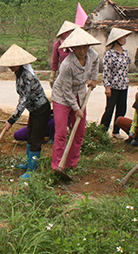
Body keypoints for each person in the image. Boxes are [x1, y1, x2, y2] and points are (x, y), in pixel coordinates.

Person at [0, 44, 51, 178]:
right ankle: (29, 163)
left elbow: (24, 100)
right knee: (30, 134)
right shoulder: (19, 73)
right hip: (34, 110)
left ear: (20, 63)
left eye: (12, 64)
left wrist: (11, 120)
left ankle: (32, 170)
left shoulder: (27, 76)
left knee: (35, 138)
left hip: (41, 109)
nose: (10, 66)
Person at [51, 27, 100, 172]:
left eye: (85, 46)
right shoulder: (67, 65)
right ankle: (57, 166)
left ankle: (72, 164)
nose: (83, 50)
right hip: (62, 97)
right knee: (61, 133)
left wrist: (93, 78)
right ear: (72, 48)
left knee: (79, 132)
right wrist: (76, 109)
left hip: (80, 93)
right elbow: (66, 91)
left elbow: (97, 62)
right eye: (79, 47)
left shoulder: (92, 54)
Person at [100, 28, 132, 139]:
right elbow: (106, 71)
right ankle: (102, 131)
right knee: (109, 109)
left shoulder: (126, 53)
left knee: (122, 108)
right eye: (122, 38)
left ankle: (116, 131)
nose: (124, 39)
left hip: (124, 85)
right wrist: (107, 86)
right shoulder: (109, 54)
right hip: (113, 86)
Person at [49, 20, 77, 88]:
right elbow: (55, 62)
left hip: (76, 76)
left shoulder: (77, 45)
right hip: (63, 75)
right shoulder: (58, 44)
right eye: (66, 32)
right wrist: (52, 75)